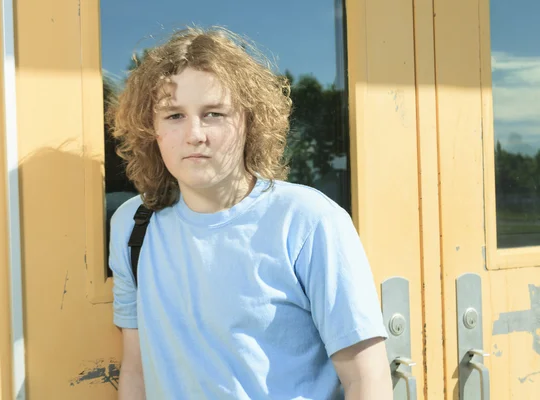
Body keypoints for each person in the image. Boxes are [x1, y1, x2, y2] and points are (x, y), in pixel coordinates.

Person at [108, 26, 392, 400]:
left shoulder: (308, 221)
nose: (195, 134)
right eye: (174, 115)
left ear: (249, 121)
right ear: (151, 128)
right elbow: (136, 369)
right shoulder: (133, 225)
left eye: (213, 113)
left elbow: (365, 380)